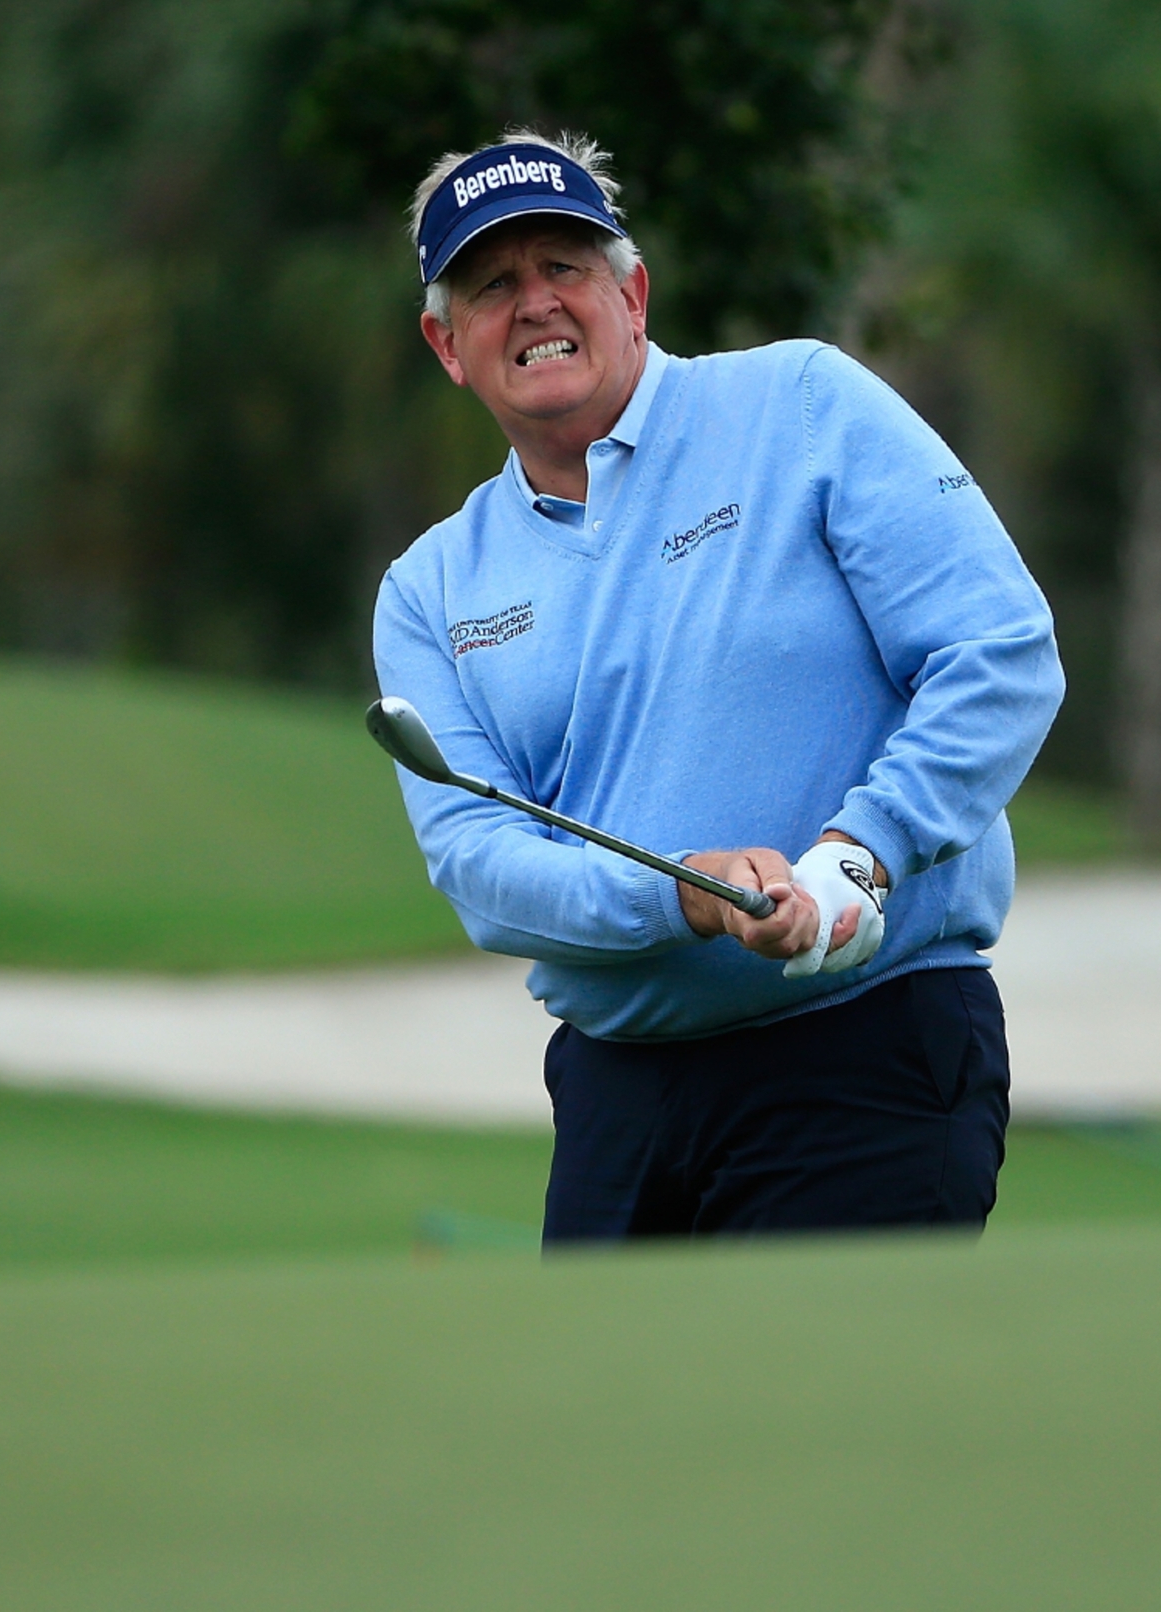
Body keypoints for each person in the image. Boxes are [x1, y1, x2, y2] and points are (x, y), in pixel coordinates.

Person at [372, 132, 1064, 1241]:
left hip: (865, 1046)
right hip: (617, 1098)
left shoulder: (799, 405)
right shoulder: (429, 589)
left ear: (631, 294)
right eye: (491, 285)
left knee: (830, 1413)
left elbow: (998, 651)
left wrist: (858, 858)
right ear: (446, 344)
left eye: (566, 267)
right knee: (621, 1419)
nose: (535, 303)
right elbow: (478, 866)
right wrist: (675, 895)